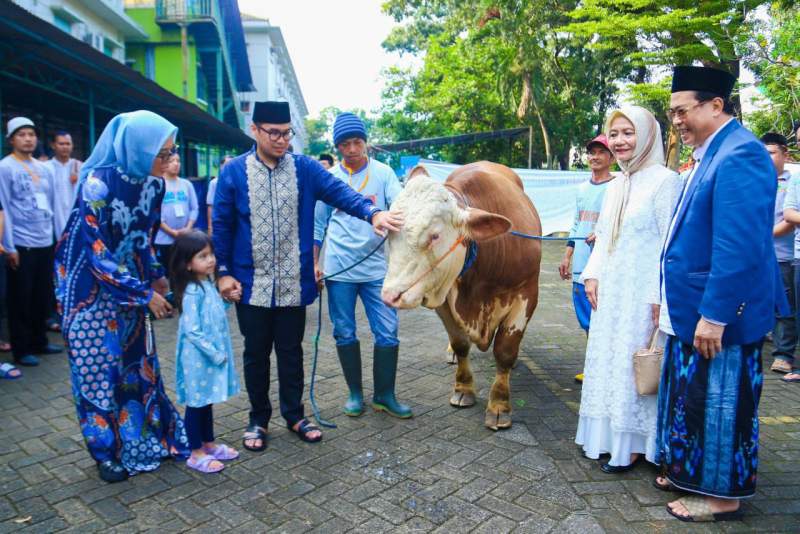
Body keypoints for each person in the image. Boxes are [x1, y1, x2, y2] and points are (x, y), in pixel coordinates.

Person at [212, 101, 402, 451]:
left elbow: (342, 194)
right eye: (274, 133)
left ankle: (295, 414)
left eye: (287, 133)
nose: (283, 140)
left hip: (291, 286)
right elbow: (221, 225)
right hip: (250, 285)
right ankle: (258, 418)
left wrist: (372, 212)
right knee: (255, 353)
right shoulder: (234, 172)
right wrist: (223, 273)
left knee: (291, 353)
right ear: (255, 131)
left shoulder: (305, 169)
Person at [656, 66, 783, 522]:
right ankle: (693, 476)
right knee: (699, 400)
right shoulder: (715, 150)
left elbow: (740, 244)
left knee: (723, 407)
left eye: (682, 112)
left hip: (723, 314)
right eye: (671, 115)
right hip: (701, 309)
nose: (677, 122)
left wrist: (715, 314)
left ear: (715, 106)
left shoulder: (741, 154)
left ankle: (723, 498)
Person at [54, 110, 189, 483]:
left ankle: (141, 441)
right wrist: (143, 293)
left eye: (171, 151)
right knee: (96, 369)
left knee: (136, 364)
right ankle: (105, 453)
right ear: (137, 149)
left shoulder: (155, 185)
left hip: (131, 286)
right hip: (87, 291)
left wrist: (159, 279)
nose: (168, 160)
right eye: (161, 154)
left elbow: (144, 240)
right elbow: (98, 253)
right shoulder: (97, 184)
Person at [575, 106, 681, 473]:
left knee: (637, 365)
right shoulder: (617, 182)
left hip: (643, 293)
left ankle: (636, 445)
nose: (619, 141)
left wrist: (659, 295)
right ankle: (608, 438)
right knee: (608, 361)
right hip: (611, 291)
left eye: (628, 133)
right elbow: (604, 236)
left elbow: (670, 244)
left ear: (648, 135)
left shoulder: (666, 181)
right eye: (614, 134)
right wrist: (591, 274)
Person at [313, 112, 410, 419]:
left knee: (388, 332)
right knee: (344, 332)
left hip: (377, 271)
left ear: (366, 142)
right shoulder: (330, 179)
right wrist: (315, 262)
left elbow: (401, 206)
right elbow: (318, 226)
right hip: (339, 270)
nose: (353, 149)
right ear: (339, 147)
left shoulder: (383, 174)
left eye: (357, 142)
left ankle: (385, 395)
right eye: (345, 144)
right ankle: (355, 393)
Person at [170, 230, 240, 474]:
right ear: (188, 264)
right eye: (203, 256)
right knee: (196, 403)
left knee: (205, 400)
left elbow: (213, 311)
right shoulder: (191, 292)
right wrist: (215, 353)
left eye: (211, 255)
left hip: (208, 356)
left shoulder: (207, 285)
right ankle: (195, 451)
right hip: (198, 357)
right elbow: (192, 330)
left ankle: (208, 443)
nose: (210, 260)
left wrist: (227, 300)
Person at [0, 117, 62, 368]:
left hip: (45, 240)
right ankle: (22, 348)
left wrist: (59, 238)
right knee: (20, 298)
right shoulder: (5, 167)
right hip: (22, 243)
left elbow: (54, 204)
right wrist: (10, 246)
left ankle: (40, 341)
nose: (28, 139)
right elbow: (4, 207)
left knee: (42, 295)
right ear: (11, 139)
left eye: (32, 134)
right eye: (22, 134)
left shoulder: (45, 168)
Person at [559, 135, 616, 383]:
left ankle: (605, 368)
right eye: (591, 152)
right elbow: (576, 224)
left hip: (606, 265)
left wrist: (603, 232)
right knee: (585, 318)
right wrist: (567, 256)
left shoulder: (618, 187)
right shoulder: (582, 189)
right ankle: (593, 366)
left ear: (612, 157)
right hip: (582, 263)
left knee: (604, 316)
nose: (594, 157)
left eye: (601, 152)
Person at [762, 133, 796, 375]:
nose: (767, 158)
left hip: (782, 254)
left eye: (772, 152)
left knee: (784, 307)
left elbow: (789, 220)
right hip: (757, 254)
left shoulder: (791, 181)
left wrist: (761, 235)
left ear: (785, 154)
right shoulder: (754, 181)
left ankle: (784, 355)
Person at [153, 153, 198, 271]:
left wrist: (188, 228)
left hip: (184, 237)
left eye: (178, 160)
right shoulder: (158, 184)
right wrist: (172, 232)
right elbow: (155, 213)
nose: (176, 164)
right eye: (172, 160)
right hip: (163, 239)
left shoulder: (186, 184)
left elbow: (194, 208)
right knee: (167, 272)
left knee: (183, 271)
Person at [47, 131, 82, 238]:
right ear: (53, 145)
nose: (65, 147)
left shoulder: (80, 167)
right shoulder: (46, 167)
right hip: (53, 221)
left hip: (74, 219)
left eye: (68, 144)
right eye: (61, 144)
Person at [206, 155, 233, 237]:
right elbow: (210, 206)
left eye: (232, 165)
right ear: (221, 166)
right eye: (226, 164)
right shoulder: (214, 183)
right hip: (219, 222)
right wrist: (210, 227)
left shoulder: (239, 182)